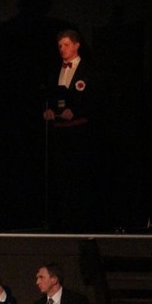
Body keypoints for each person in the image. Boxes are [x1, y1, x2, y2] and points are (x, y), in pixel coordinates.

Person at [42, 29, 97, 231]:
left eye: (66, 45)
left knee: (79, 176)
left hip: (79, 132)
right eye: (60, 46)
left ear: (76, 45)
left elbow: (94, 100)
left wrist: (75, 111)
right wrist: (49, 110)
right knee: (61, 176)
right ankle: (62, 221)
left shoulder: (88, 71)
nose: (62, 49)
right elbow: (53, 97)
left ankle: (81, 221)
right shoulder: (55, 71)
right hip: (60, 132)